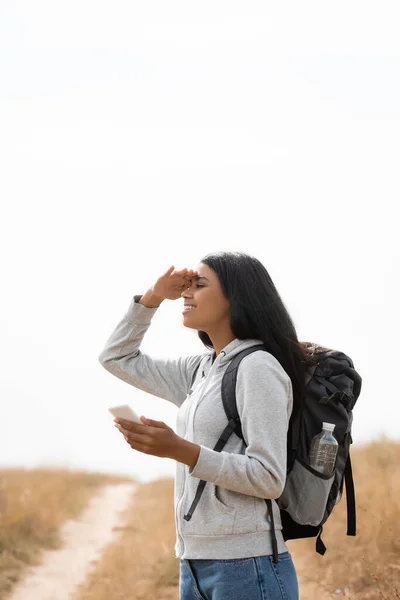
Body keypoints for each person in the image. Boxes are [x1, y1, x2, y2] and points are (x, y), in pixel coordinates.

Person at [99, 251, 309, 600]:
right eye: (187, 285)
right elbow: (116, 357)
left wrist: (180, 450)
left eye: (199, 285)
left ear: (236, 298)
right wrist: (152, 297)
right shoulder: (200, 369)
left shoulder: (258, 367)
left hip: (247, 564)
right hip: (194, 561)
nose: (186, 292)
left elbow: (269, 477)